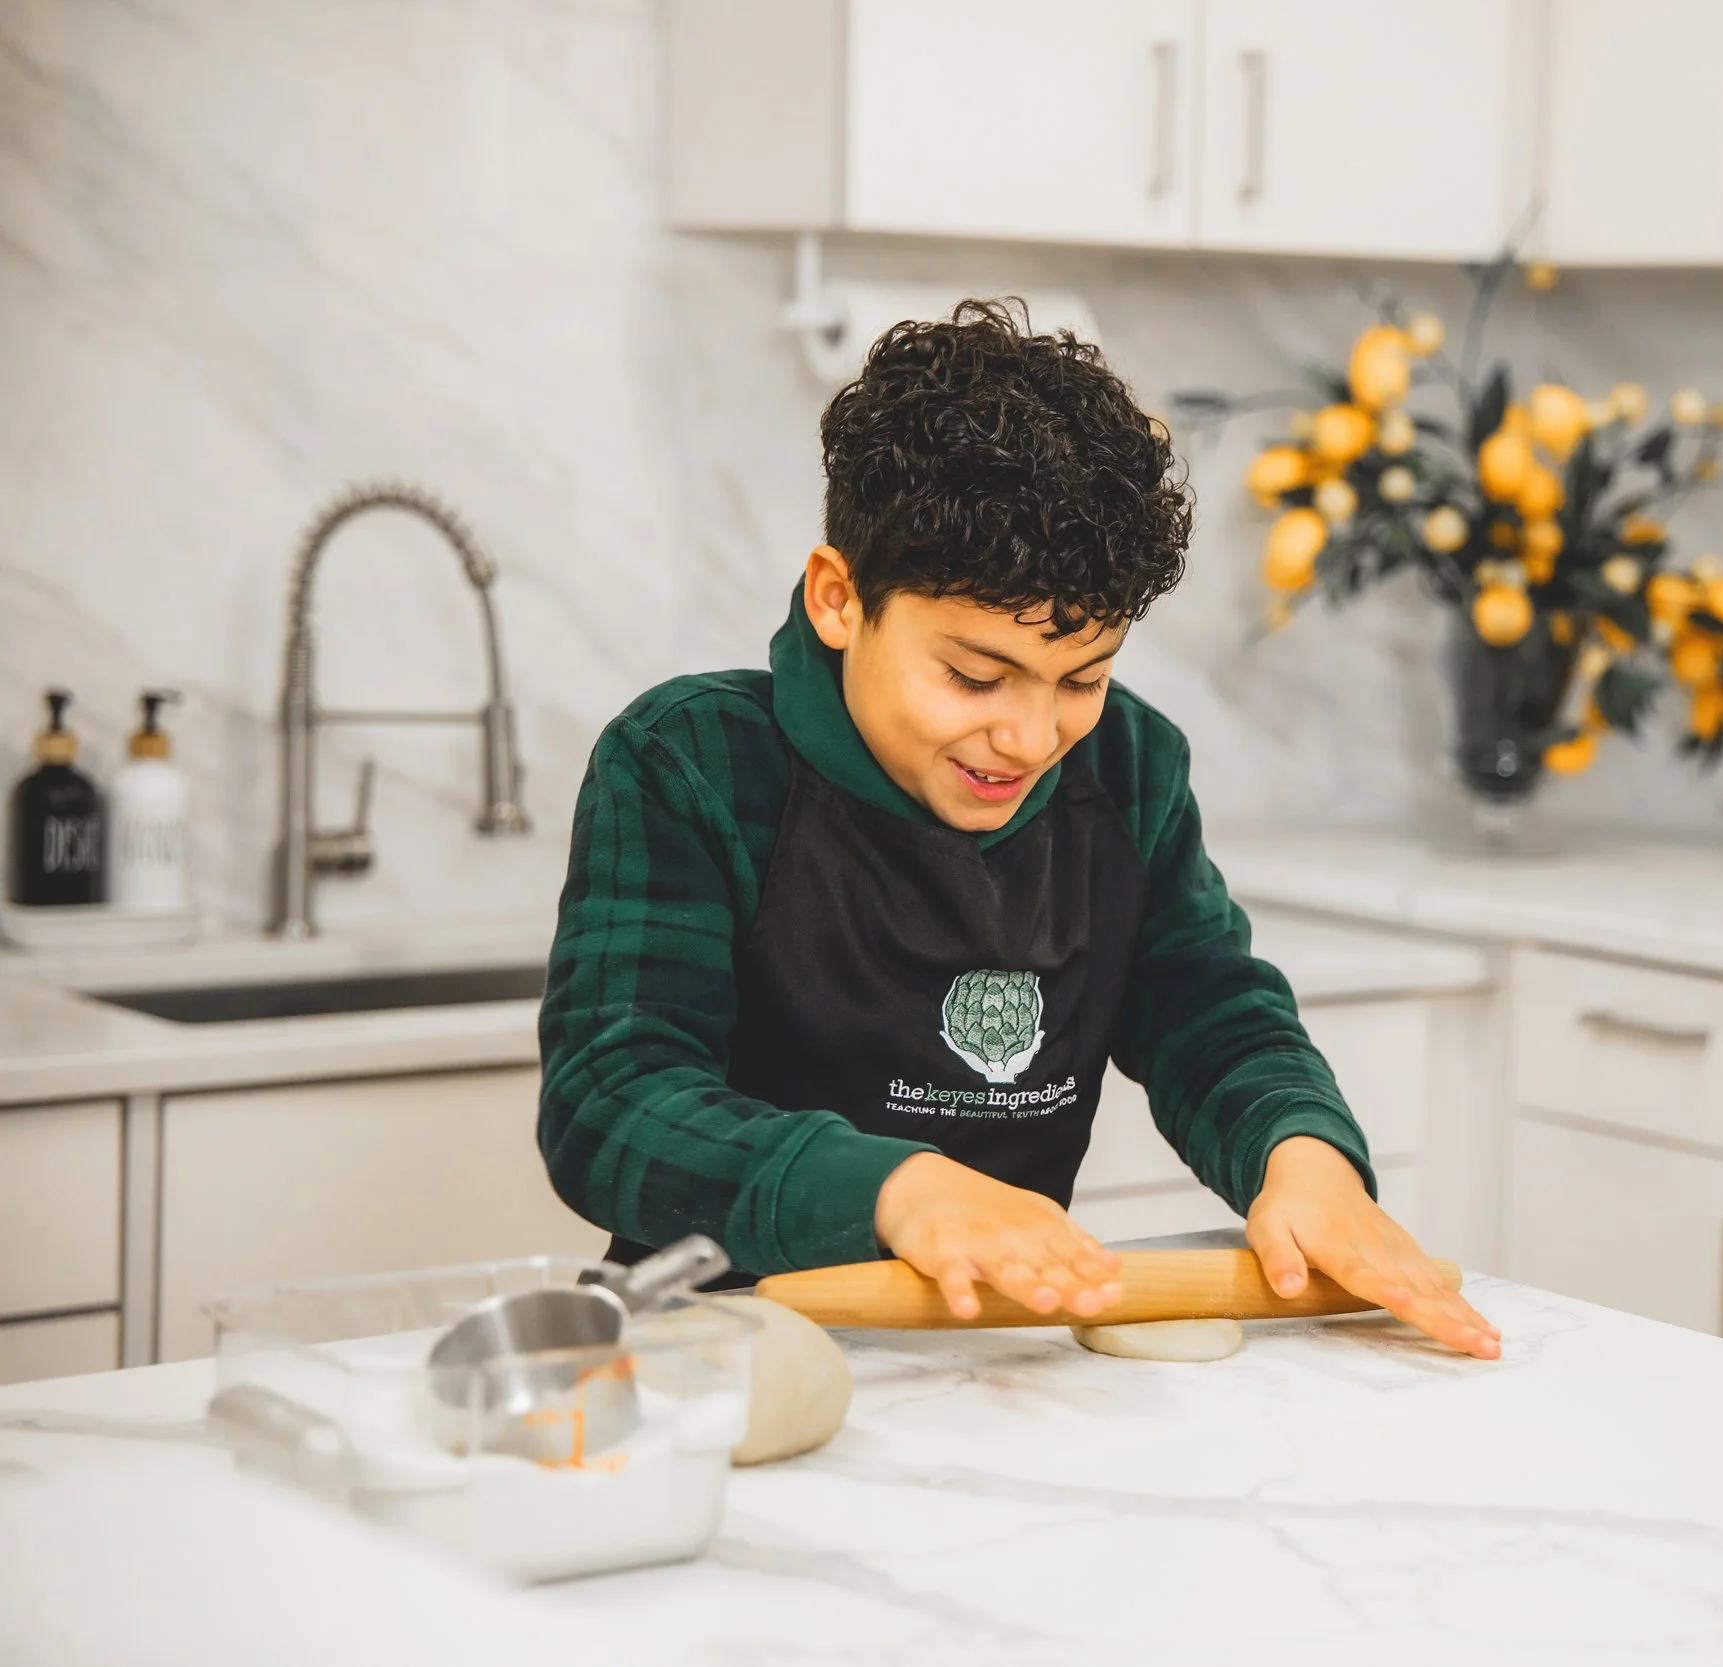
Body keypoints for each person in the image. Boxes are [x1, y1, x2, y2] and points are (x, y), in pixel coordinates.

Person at [538, 300, 1498, 1359]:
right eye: (974, 674)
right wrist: (895, 1188)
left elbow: (1210, 1013)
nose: (1030, 735)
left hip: (1002, 1357)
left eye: (1081, 677)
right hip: (717, 1356)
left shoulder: (1128, 769)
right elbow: (611, 1100)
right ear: (838, 599)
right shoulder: (691, 761)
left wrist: (1301, 1153)